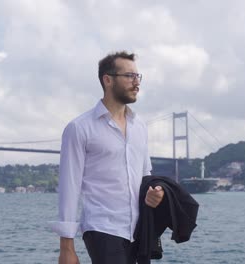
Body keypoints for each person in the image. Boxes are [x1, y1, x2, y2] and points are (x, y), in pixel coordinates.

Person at [50, 51, 165, 264]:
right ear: (108, 80)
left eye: (138, 76)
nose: (136, 82)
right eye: (129, 76)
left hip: (139, 231)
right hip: (102, 228)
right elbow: (69, 187)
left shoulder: (139, 126)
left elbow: (145, 176)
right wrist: (66, 247)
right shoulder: (79, 128)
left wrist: (154, 193)